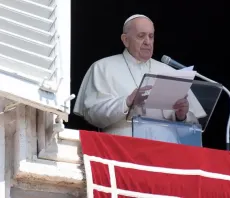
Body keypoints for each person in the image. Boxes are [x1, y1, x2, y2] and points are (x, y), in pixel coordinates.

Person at [74, 14, 206, 140]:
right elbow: (93, 114)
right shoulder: (103, 67)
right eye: (141, 36)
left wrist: (181, 116)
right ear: (125, 40)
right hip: (122, 150)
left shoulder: (170, 72)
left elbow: (193, 129)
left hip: (167, 151)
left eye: (151, 36)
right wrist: (127, 102)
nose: (147, 42)